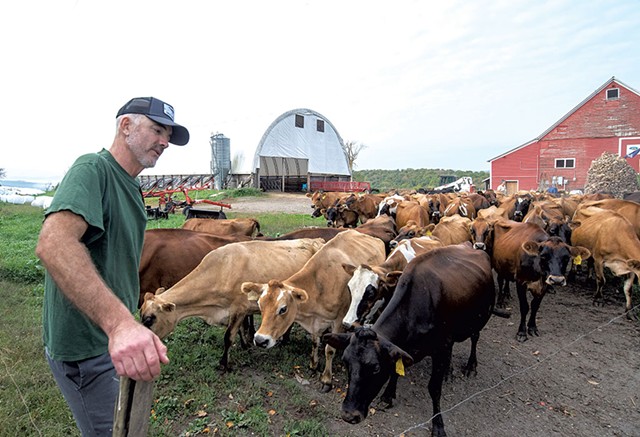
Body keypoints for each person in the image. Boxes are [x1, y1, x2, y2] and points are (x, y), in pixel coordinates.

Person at [35, 97, 190, 436]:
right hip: (86, 348)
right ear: (125, 127)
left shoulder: (131, 184)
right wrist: (120, 325)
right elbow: (54, 243)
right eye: (157, 130)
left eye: (168, 135)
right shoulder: (93, 169)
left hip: (108, 340)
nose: (164, 142)